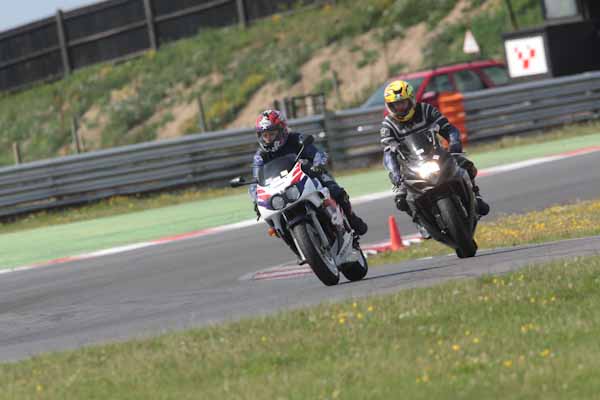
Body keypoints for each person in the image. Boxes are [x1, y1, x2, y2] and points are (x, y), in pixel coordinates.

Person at [379, 80, 489, 238]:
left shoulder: (426, 110)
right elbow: (389, 153)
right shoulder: (388, 125)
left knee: (465, 165)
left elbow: (449, 129)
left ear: (411, 100)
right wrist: (395, 173)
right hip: (409, 165)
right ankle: (419, 221)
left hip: (436, 154)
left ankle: (476, 196)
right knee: (400, 198)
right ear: (389, 106)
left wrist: (455, 145)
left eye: (403, 103)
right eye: (395, 105)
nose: (400, 107)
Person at [249, 109, 368, 237]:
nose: (268, 139)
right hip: (282, 188)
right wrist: (256, 200)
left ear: (282, 130)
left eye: (272, 134)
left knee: (336, 191)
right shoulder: (260, 156)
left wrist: (318, 165)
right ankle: (290, 240)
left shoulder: (296, 139)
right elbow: (255, 181)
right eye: (265, 135)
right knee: (270, 217)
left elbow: (318, 154)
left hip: (309, 175)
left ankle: (351, 218)